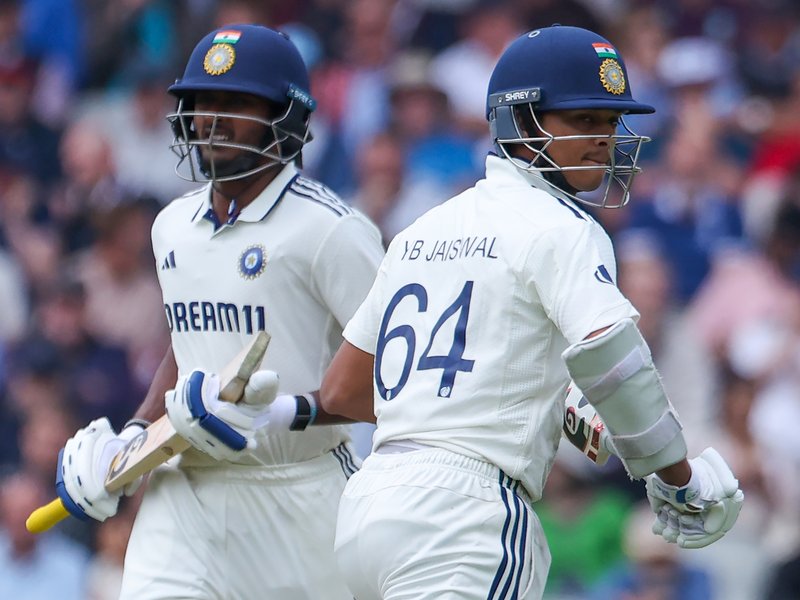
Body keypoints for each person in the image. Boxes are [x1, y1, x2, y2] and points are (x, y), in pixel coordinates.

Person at [320, 25, 744, 599]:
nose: (604, 138)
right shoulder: (564, 227)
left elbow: (344, 390)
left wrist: (536, 401)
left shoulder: (421, 231)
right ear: (519, 121)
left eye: (610, 121)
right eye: (583, 119)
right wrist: (678, 477)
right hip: (466, 518)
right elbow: (614, 361)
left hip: (369, 509)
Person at [51, 24, 384, 599]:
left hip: (299, 494)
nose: (211, 119)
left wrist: (283, 412)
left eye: (236, 103)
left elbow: (396, 379)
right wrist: (133, 436)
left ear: (286, 117)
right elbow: (186, 346)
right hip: (184, 492)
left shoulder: (333, 231)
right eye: (202, 102)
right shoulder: (171, 225)